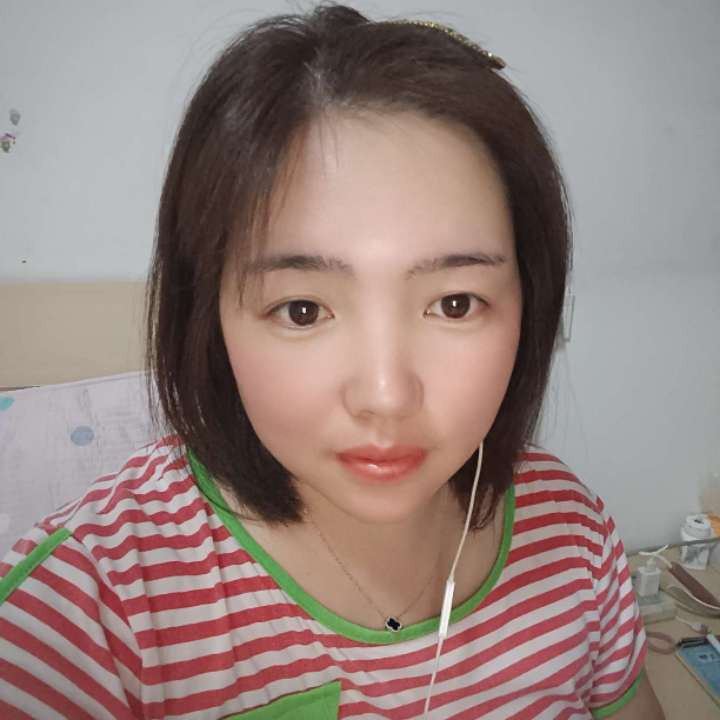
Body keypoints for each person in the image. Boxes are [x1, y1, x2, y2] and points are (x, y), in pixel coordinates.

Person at [0, 3, 664, 718]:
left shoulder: (570, 531)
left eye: (455, 304)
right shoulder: (81, 620)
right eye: (303, 310)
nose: (385, 395)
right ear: (209, 317)